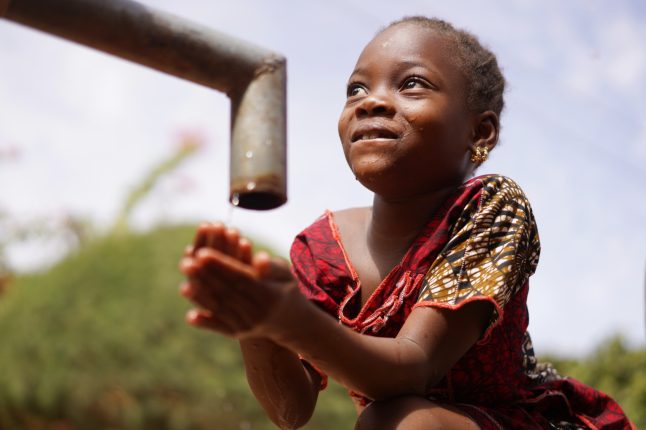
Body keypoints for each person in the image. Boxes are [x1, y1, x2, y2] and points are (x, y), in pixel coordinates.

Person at [179, 17, 634, 429]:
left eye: (412, 84)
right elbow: (290, 411)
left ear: (480, 133)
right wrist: (257, 326)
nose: (371, 101)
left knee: (396, 420)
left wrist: (289, 320)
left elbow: (414, 366)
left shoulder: (490, 208)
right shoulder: (322, 249)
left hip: (518, 422)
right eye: (356, 89)